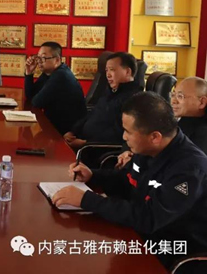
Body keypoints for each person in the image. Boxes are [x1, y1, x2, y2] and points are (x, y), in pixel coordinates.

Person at [52, 92, 207, 271]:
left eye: (128, 132)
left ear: (155, 137)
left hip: (171, 249)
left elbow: (149, 218)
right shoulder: (149, 148)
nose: (124, 138)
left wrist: (87, 200)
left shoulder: (189, 169)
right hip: (137, 232)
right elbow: (128, 179)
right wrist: (93, 175)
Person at [117, 76, 207, 168]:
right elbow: (142, 135)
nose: (173, 101)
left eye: (180, 96)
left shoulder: (202, 135)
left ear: (202, 102)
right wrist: (127, 152)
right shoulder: (175, 119)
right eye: (173, 95)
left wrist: (134, 161)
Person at [64, 52, 142, 150]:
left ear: (127, 72)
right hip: (83, 142)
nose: (108, 75)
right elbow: (92, 114)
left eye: (112, 70)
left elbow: (118, 134)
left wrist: (86, 143)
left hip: (97, 149)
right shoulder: (111, 91)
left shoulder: (134, 100)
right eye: (106, 70)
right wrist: (73, 131)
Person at [24, 42, 86, 135]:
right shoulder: (49, 73)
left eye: (43, 58)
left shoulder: (61, 76)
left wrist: (34, 99)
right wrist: (29, 73)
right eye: (38, 57)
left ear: (57, 60)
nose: (39, 61)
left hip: (67, 133)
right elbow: (30, 97)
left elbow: (36, 102)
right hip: (53, 127)